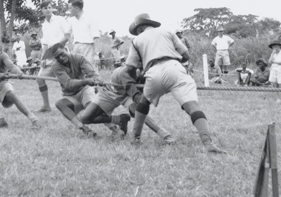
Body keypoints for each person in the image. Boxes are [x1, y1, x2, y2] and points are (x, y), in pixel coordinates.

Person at [125, 13, 225, 153]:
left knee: (143, 103)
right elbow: (186, 55)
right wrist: (177, 64)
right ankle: (208, 143)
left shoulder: (136, 41)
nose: (137, 33)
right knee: (192, 106)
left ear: (140, 28)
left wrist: (133, 79)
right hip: (175, 67)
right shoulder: (167, 31)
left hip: (153, 72)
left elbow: (130, 67)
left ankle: (135, 138)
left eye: (137, 30)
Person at [79, 63, 176, 143]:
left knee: (138, 110)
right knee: (85, 118)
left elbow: (140, 97)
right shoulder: (124, 72)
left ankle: (165, 134)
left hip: (128, 96)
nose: (141, 70)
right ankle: (120, 119)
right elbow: (137, 96)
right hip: (110, 93)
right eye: (139, 68)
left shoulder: (149, 74)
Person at [51, 42, 123, 137]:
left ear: (66, 49)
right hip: (70, 95)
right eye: (57, 57)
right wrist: (84, 81)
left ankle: (115, 128)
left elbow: (92, 73)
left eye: (62, 54)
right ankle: (84, 129)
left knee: (91, 107)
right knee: (60, 104)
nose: (60, 58)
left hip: (85, 90)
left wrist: (98, 81)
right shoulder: (55, 66)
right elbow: (69, 84)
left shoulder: (79, 58)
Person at [0, 39, 40, 129]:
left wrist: (18, 73)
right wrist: (0, 77)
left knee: (11, 94)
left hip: (4, 84)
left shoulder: (1, 55)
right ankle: (0, 119)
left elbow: (11, 66)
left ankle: (34, 120)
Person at [36, 0, 72, 112]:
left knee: (66, 81)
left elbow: (67, 36)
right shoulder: (44, 25)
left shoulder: (60, 20)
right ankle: (46, 105)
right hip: (50, 55)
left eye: (50, 7)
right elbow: (45, 43)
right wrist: (43, 58)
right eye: (45, 8)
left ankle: (72, 105)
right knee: (39, 78)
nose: (48, 9)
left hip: (62, 53)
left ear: (52, 8)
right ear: (41, 10)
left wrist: (57, 48)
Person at [68, 0, 100, 66]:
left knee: (89, 70)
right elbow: (67, 34)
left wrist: (96, 54)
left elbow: (96, 37)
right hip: (76, 47)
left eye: (70, 8)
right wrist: (71, 45)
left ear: (76, 8)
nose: (69, 10)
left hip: (88, 48)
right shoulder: (71, 20)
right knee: (76, 70)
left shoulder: (90, 19)